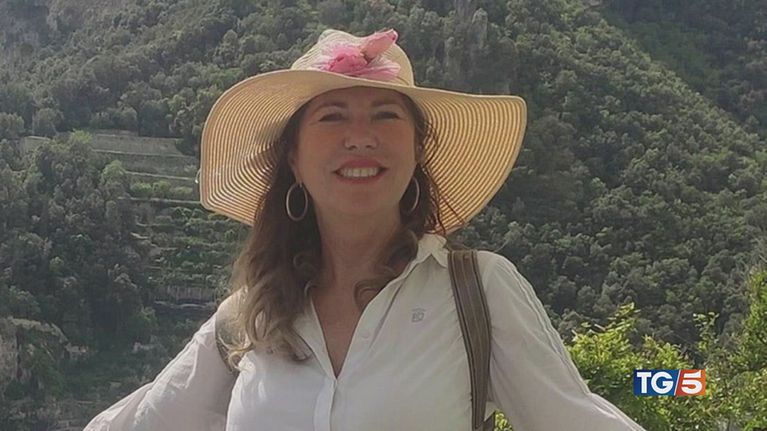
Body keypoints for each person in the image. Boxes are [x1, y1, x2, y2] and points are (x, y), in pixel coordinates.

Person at [84, 28, 645, 430]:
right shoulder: (252, 315)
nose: (360, 137)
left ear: (417, 151)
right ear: (294, 160)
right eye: (331, 117)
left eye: (385, 115)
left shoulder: (478, 292)